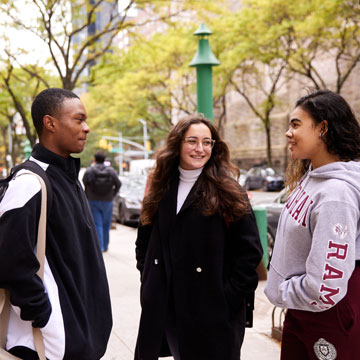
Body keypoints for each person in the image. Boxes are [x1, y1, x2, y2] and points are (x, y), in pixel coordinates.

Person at [134, 114, 263, 360]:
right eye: (192, 141)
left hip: (214, 309)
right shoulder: (162, 184)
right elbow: (146, 238)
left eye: (207, 142)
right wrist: (150, 278)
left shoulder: (228, 189)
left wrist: (227, 296)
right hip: (170, 304)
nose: (200, 149)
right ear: (178, 144)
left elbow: (250, 252)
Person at [0, 88, 112, 359]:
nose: (86, 128)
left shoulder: (69, 178)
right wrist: (49, 323)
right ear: (50, 123)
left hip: (78, 340)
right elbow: (11, 265)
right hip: (49, 345)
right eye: (78, 119)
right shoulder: (29, 183)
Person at [265, 89, 360, 360]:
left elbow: (326, 285)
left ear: (323, 128)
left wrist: (283, 292)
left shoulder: (336, 194)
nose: (288, 132)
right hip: (303, 311)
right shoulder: (313, 178)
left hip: (328, 314)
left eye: (296, 124)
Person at [83, 151, 121, 252]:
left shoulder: (90, 170)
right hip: (108, 201)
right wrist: (112, 194)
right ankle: (105, 245)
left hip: (93, 200)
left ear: (95, 160)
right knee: (106, 224)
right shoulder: (111, 171)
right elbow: (118, 184)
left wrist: (88, 195)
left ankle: (100, 247)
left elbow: (85, 183)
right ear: (104, 160)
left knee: (97, 223)